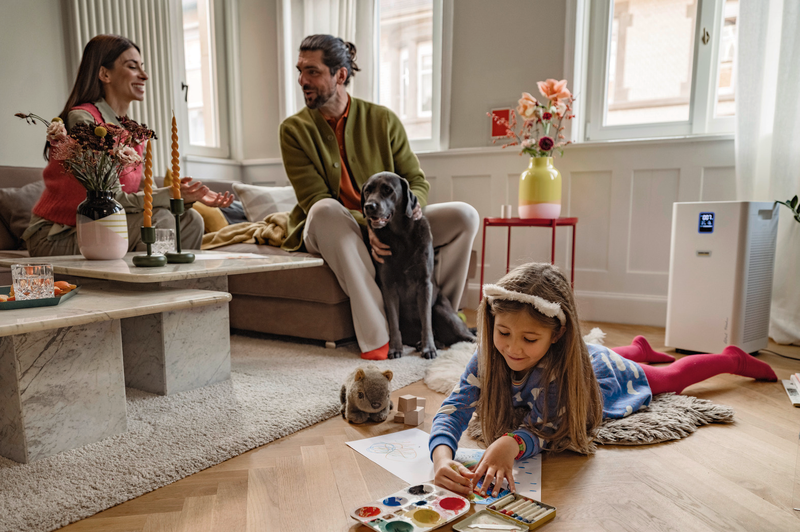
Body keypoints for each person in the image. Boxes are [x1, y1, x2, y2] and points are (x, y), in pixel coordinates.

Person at [429, 262, 778, 498]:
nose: (513, 348)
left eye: (530, 339)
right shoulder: (490, 357)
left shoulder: (559, 371)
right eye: (503, 332)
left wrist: (512, 443)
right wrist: (442, 458)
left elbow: (547, 429)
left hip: (604, 374)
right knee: (606, 353)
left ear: (557, 334)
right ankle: (638, 347)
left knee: (671, 377)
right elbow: (455, 407)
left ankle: (731, 357)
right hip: (587, 357)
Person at [279, 34, 479, 361]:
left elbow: (415, 180)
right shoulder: (293, 130)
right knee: (326, 209)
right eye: (300, 71)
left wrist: (404, 215)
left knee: (464, 216)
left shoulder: (382, 119)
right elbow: (312, 197)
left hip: (389, 221)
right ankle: (378, 337)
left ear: (340, 75)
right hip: (333, 228)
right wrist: (372, 224)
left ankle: (439, 324)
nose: (302, 80)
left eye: (312, 72)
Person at [23, 34, 234, 257]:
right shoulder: (83, 120)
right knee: (160, 221)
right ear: (105, 74)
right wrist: (174, 194)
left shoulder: (130, 131)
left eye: (142, 67)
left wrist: (185, 195)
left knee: (189, 219)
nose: (144, 75)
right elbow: (109, 198)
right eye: (133, 67)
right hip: (58, 234)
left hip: (100, 226)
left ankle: (178, 290)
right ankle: (147, 289)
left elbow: (137, 192)